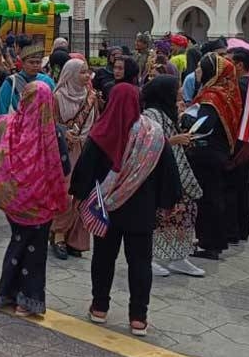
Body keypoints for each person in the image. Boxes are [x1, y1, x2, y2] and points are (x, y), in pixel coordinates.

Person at [70, 84, 182, 337]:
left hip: (105, 209)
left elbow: (85, 171)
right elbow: (168, 172)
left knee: (103, 258)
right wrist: (168, 203)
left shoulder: (102, 131)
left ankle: (99, 307)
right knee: (140, 263)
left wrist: (79, 196)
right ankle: (138, 318)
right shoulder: (154, 135)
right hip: (141, 211)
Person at [0, 81, 71, 317]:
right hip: (40, 202)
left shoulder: (7, 124)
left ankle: (6, 294)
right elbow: (64, 166)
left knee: (17, 242)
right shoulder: (53, 132)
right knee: (35, 251)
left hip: (13, 200)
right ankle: (27, 300)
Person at [142, 75, 205, 277]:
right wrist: (175, 140)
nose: (179, 92)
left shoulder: (168, 111)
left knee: (184, 212)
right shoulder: (151, 114)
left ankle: (179, 256)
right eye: (176, 88)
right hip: (159, 174)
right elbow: (147, 145)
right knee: (158, 216)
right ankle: (148, 257)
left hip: (178, 171)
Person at [185, 53, 242, 260]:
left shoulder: (211, 98)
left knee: (208, 199)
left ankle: (210, 244)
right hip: (218, 152)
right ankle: (215, 240)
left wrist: (184, 119)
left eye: (200, 67)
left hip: (206, 153)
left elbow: (203, 126)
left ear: (211, 71)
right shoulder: (224, 93)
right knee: (215, 197)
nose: (196, 71)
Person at [50, 59, 100, 260]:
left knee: (82, 194)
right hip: (61, 153)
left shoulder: (91, 97)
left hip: (84, 150)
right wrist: (63, 133)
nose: (87, 76)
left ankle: (75, 240)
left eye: (88, 72)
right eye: (82, 73)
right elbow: (48, 125)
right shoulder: (57, 97)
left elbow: (96, 124)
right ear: (70, 74)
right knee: (65, 194)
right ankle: (58, 234)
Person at [225, 46, 249, 242]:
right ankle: (241, 227)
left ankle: (234, 230)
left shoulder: (241, 87)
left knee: (234, 187)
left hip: (239, 144)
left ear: (239, 65)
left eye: (229, 61)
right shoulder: (248, 84)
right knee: (242, 186)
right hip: (246, 143)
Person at [0, 38, 55, 115]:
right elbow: (2, 107)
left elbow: (53, 106)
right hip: (16, 124)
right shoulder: (11, 81)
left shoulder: (47, 81)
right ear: (23, 63)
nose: (35, 65)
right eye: (31, 62)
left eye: (38, 62)